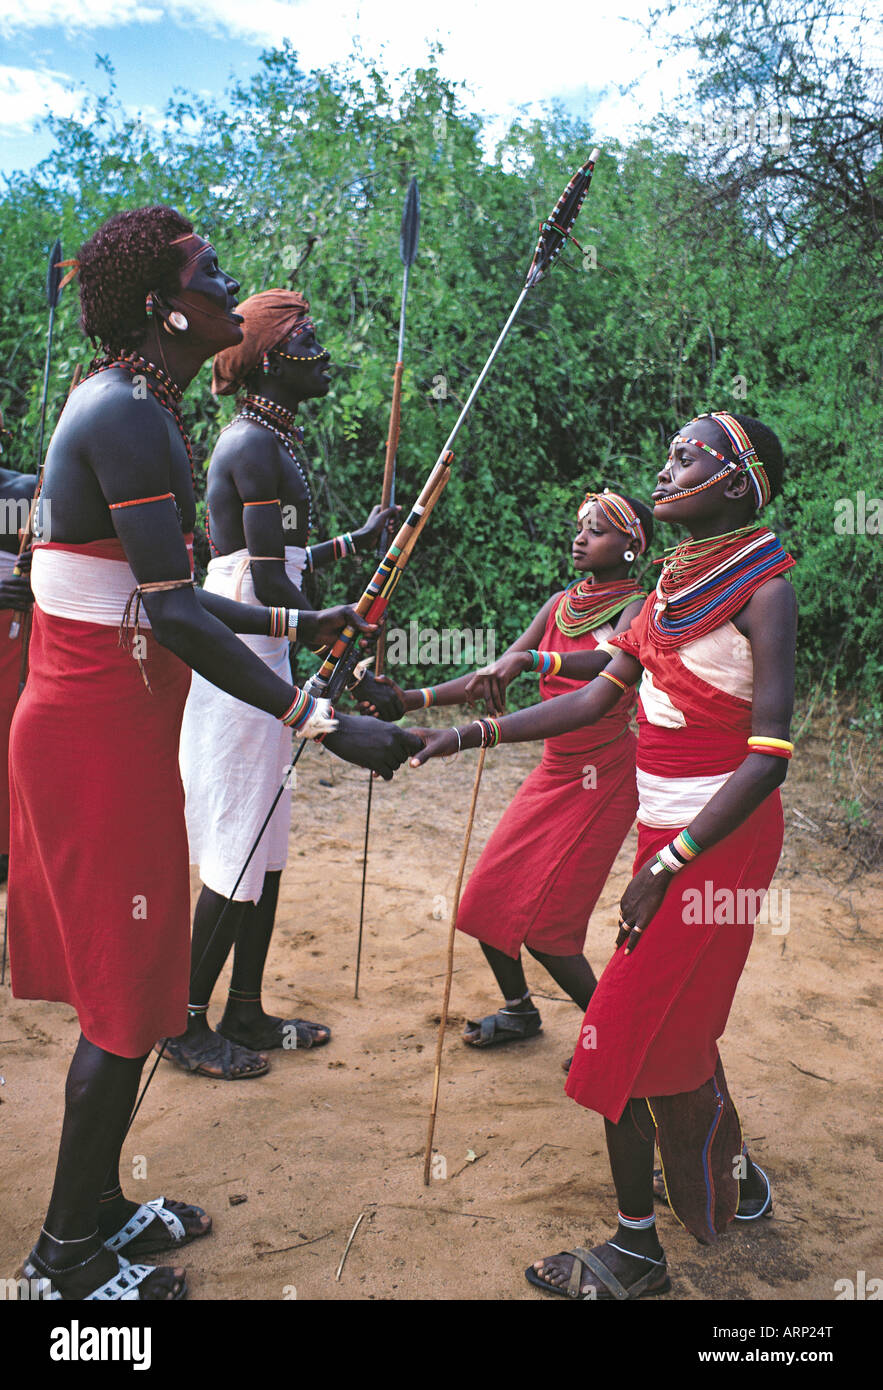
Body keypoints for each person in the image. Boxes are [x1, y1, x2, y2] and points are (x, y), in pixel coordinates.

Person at [9, 207, 419, 1301]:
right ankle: (62, 1263)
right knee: (124, 1001)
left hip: (114, 727)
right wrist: (321, 721)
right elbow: (179, 615)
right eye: (210, 269)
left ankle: (99, 1207)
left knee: (136, 991)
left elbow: (191, 597)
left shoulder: (146, 407)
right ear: (163, 303)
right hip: (94, 739)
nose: (229, 286)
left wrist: (304, 624)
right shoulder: (131, 413)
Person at [411, 412, 796, 1299]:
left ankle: (634, 1252)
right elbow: (592, 701)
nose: (663, 471)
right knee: (677, 1021)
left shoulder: (764, 590)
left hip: (718, 845)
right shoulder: (666, 589)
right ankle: (728, 1177)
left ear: (736, 484)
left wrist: (669, 868)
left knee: (616, 1032)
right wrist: (471, 731)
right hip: (667, 838)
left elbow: (768, 755)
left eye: (686, 458)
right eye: (663, 454)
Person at [171, 290, 403, 1079]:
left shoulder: (270, 440)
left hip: (265, 648)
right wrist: (334, 634)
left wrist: (354, 543)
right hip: (244, 659)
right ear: (271, 355)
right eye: (307, 336)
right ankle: (183, 1022)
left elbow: (285, 557)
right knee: (238, 843)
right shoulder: (252, 445)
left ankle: (244, 1010)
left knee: (263, 850)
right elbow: (267, 582)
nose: (323, 350)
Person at [395, 490, 651, 1053]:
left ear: (633, 546)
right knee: (485, 903)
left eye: (599, 530)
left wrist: (535, 661)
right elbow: (491, 678)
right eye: (580, 527)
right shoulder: (561, 604)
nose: (580, 537)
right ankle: (519, 1012)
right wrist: (409, 699)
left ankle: (616, 1040)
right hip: (554, 770)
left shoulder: (639, 610)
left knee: (551, 934)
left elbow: (608, 668)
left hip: (603, 778)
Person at [0, 417, 36, 882]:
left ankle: (11, 847)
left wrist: (39, 566)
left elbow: (64, 554)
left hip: (13, 640)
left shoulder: (25, 492)